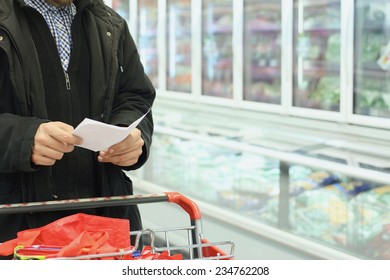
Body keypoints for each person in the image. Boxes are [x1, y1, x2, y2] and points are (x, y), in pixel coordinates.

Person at [0, 0, 155, 252]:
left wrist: (132, 136)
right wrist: (21, 139)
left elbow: (135, 97)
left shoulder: (110, 24)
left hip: (104, 233)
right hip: (14, 233)